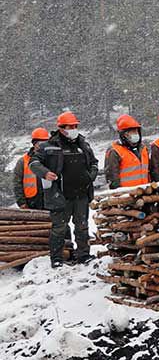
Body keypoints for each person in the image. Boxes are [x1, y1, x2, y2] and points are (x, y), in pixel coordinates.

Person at [29, 112, 98, 266]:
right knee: (59, 229)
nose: (73, 129)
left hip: (81, 194)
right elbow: (33, 163)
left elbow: (94, 162)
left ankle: (83, 255)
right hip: (60, 196)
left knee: (82, 227)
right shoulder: (48, 146)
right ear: (61, 128)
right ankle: (57, 259)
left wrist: (90, 176)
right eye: (70, 127)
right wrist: (45, 173)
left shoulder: (83, 144)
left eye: (75, 126)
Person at [105, 115, 150, 189]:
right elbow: (112, 178)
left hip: (144, 192)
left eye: (136, 131)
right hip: (126, 196)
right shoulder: (114, 151)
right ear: (124, 134)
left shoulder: (143, 149)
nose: (135, 134)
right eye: (132, 132)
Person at [14, 128, 52, 209]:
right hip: (31, 202)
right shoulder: (23, 161)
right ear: (34, 144)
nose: (43, 145)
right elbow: (17, 184)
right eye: (40, 143)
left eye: (45, 142)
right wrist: (21, 202)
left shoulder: (53, 159)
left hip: (50, 201)